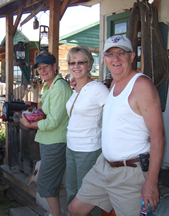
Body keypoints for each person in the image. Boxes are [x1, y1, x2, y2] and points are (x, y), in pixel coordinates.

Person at [68, 35, 165, 216]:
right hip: (104, 166)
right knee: (75, 209)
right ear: (104, 59)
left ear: (132, 56)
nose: (115, 58)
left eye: (121, 52)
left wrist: (151, 182)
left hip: (130, 173)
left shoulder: (142, 85)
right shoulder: (113, 84)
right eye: (110, 54)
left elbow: (158, 137)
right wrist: (78, 85)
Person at [20, 51, 73, 216]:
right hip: (48, 140)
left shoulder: (60, 88)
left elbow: (53, 122)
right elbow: (48, 114)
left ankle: (55, 214)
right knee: (51, 181)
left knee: (45, 183)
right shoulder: (51, 86)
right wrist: (35, 114)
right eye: (40, 68)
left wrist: (29, 123)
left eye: (46, 67)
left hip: (56, 142)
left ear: (55, 67)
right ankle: (52, 212)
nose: (42, 71)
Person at [65, 47, 109, 214]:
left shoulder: (98, 89)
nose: (76, 66)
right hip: (71, 148)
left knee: (88, 198)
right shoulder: (76, 89)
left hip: (89, 150)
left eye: (81, 62)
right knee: (71, 192)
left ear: (89, 64)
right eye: (72, 63)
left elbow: (112, 117)